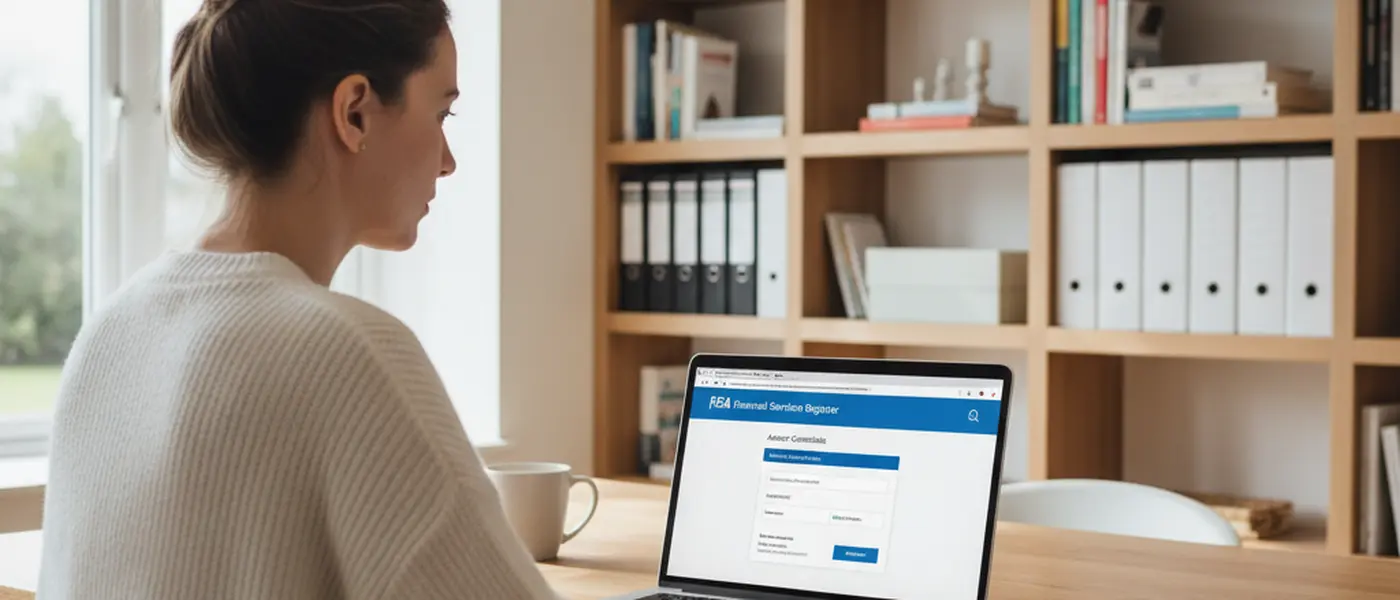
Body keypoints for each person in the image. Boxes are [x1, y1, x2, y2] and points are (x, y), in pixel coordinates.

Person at [36, 1, 559, 598]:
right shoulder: (349, 354)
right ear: (354, 112)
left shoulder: (107, 334)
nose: (448, 161)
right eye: (442, 112)